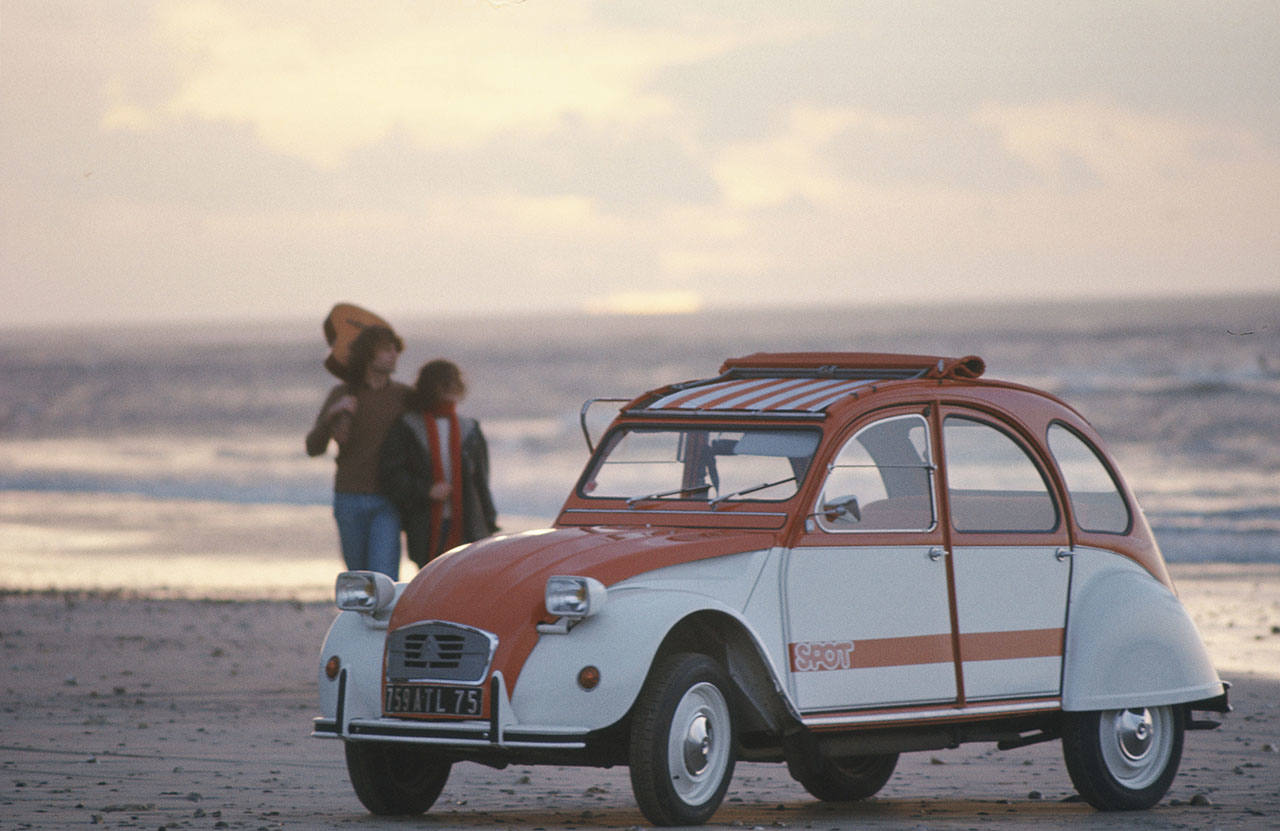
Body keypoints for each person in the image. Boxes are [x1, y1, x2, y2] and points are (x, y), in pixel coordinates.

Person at [306, 324, 410, 578]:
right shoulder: (342, 395)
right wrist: (332, 415)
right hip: (348, 497)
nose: (393, 354)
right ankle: (362, 620)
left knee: (384, 579)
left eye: (395, 349)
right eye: (386, 350)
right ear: (368, 355)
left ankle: (384, 620)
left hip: (387, 499)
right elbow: (313, 447)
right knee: (358, 578)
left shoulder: (404, 397)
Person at [379, 360, 498, 568]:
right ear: (429, 387)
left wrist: (489, 521)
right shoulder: (408, 427)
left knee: (464, 579)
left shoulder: (470, 429)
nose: (452, 387)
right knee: (429, 577)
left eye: (455, 382)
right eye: (445, 382)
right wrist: (427, 491)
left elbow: (481, 481)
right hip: (424, 522)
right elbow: (391, 475)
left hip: (467, 523)